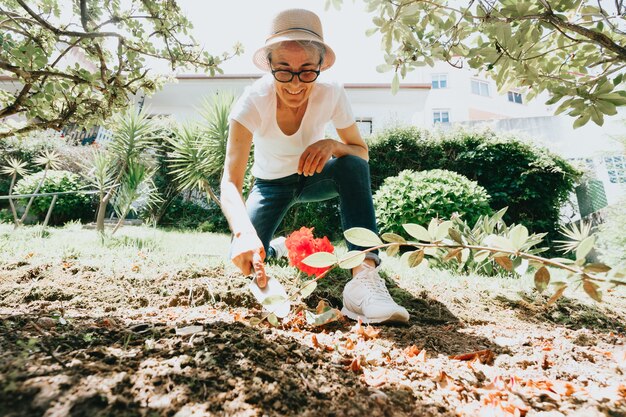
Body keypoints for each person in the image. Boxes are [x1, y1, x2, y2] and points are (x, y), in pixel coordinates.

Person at [220, 8, 409, 324]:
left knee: (351, 166)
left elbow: (360, 153)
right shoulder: (252, 102)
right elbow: (229, 183)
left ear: (321, 66)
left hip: (313, 177)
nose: (295, 84)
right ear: (269, 66)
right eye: (283, 70)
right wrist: (242, 232)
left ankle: (363, 281)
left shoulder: (332, 93)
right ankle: (278, 249)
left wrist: (334, 145)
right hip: (270, 186)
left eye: (307, 70)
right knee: (244, 256)